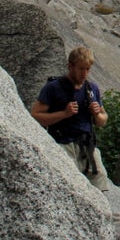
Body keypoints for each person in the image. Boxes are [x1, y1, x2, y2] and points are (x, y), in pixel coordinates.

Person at [31, 45, 110, 192]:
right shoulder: (53, 88)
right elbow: (35, 115)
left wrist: (97, 113)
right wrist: (64, 114)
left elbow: (103, 120)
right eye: (81, 69)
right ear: (70, 66)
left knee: (99, 178)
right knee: (69, 186)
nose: (84, 74)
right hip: (62, 143)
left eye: (88, 69)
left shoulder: (91, 89)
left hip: (86, 145)